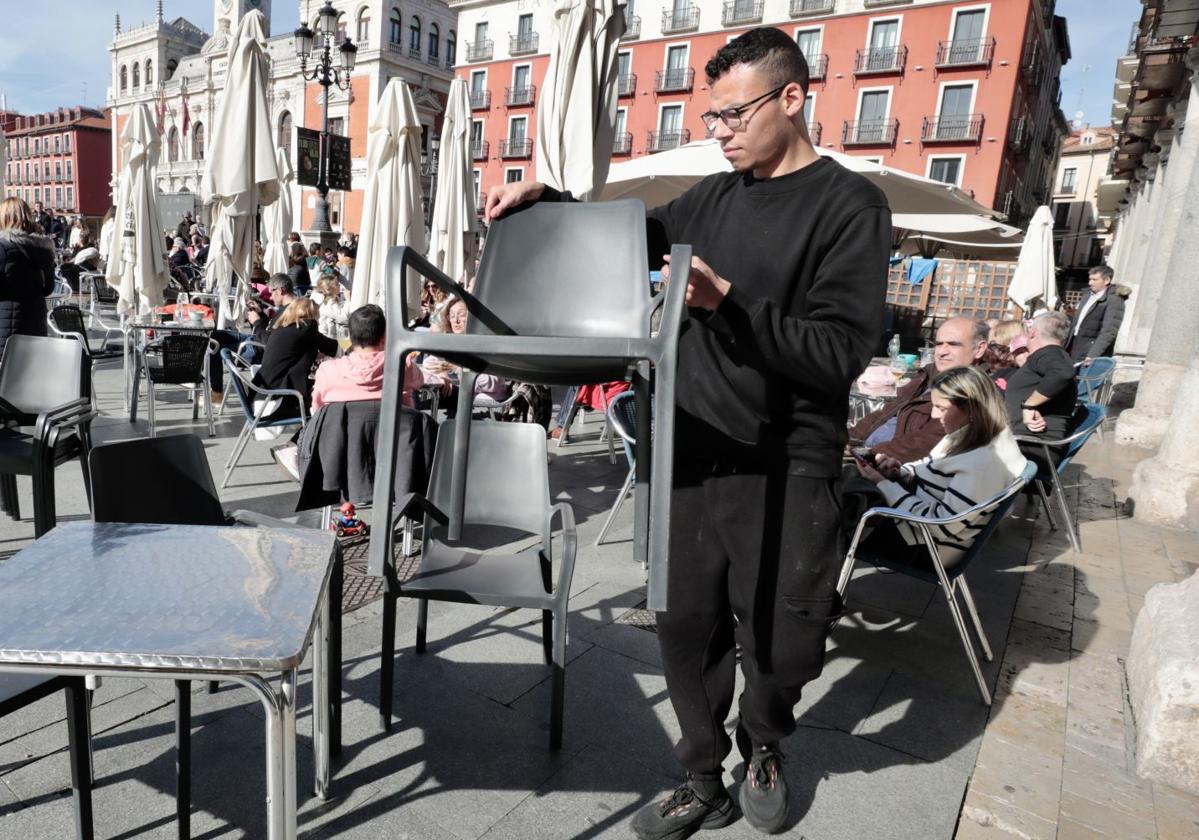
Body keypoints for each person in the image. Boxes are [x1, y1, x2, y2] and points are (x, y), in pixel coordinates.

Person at [486, 27, 890, 838]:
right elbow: (628, 230)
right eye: (709, 118)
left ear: (790, 98)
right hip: (686, 447)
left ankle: (766, 744)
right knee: (683, 626)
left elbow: (841, 351)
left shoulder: (850, 204)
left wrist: (728, 300)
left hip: (788, 458)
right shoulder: (708, 199)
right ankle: (702, 773)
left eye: (732, 114)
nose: (718, 131)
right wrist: (552, 202)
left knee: (781, 636)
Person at [852, 365, 1028, 564]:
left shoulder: (983, 461)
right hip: (919, 527)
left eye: (941, 408)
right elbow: (930, 465)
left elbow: (940, 525)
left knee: (837, 512)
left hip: (926, 546)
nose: (934, 415)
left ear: (972, 408)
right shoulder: (974, 434)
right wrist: (899, 470)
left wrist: (883, 484)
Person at [849, 317, 990, 463]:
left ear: (979, 349)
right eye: (939, 344)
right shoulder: (929, 374)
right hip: (866, 453)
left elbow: (927, 441)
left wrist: (867, 454)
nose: (941, 352)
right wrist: (848, 440)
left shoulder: (974, 389)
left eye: (953, 344)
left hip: (891, 466)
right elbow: (886, 411)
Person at [1005, 311, 1077, 443]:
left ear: (1033, 333)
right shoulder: (1055, 355)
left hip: (1031, 444)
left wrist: (1029, 405)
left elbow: (1063, 372)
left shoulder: (1047, 354)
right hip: (1028, 441)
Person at [0, 197, 56, 354]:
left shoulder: (3, 248)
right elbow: (48, 288)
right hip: (35, 323)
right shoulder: (43, 249)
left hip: (6, 329)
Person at [1068, 265, 1127, 363]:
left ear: (1106, 280)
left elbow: (1109, 331)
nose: (1090, 283)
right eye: (1090, 279)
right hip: (1074, 346)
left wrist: (1093, 354)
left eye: (1095, 280)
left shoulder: (1114, 300)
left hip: (1090, 351)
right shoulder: (1087, 295)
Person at [311, 275, 350, 342]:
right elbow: (343, 317)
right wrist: (348, 300)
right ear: (328, 289)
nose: (339, 285)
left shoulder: (330, 299)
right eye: (337, 284)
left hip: (332, 335)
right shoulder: (327, 302)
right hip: (329, 339)